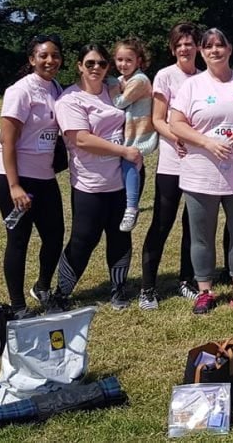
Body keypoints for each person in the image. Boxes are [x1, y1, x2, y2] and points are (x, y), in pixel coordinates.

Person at [169, 28, 233, 314]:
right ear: (202, 52)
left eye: (220, 45)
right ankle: (204, 289)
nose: (214, 50)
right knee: (202, 234)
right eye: (208, 46)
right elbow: (176, 123)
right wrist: (206, 142)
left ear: (229, 49)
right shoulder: (192, 86)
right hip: (200, 172)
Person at [52, 44, 140, 311]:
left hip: (120, 182)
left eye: (102, 63)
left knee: (120, 236)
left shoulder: (112, 91)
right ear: (79, 65)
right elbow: (81, 139)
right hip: (89, 184)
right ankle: (61, 294)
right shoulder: (70, 100)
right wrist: (124, 150)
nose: (96, 68)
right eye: (90, 63)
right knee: (83, 239)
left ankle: (119, 289)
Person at [0, 34, 66, 316]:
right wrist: (15, 185)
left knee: (55, 235)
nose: (50, 60)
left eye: (55, 55)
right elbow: (8, 140)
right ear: (32, 60)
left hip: (43, 175)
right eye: (43, 55)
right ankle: (18, 306)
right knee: (19, 237)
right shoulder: (20, 91)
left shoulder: (56, 88)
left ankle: (42, 287)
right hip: (12, 175)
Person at [139, 23, 199, 310]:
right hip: (172, 163)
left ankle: (186, 280)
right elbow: (158, 119)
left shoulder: (205, 77)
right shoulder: (165, 76)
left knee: (194, 225)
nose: (184, 48)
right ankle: (147, 287)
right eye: (179, 44)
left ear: (198, 46)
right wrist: (179, 138)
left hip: (200, 165)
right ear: (172, 48)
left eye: (189, 43)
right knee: (162, 223)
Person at [110, 37, 158, 232]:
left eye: (129, 60)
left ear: (138, 60)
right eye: (120, 60)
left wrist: (113, 89)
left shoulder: (139, 80)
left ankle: (132, 207)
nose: (123, 64)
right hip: (128, 133)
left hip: (138, 135)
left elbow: (119, 102)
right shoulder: (123, 80)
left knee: (130, 163)